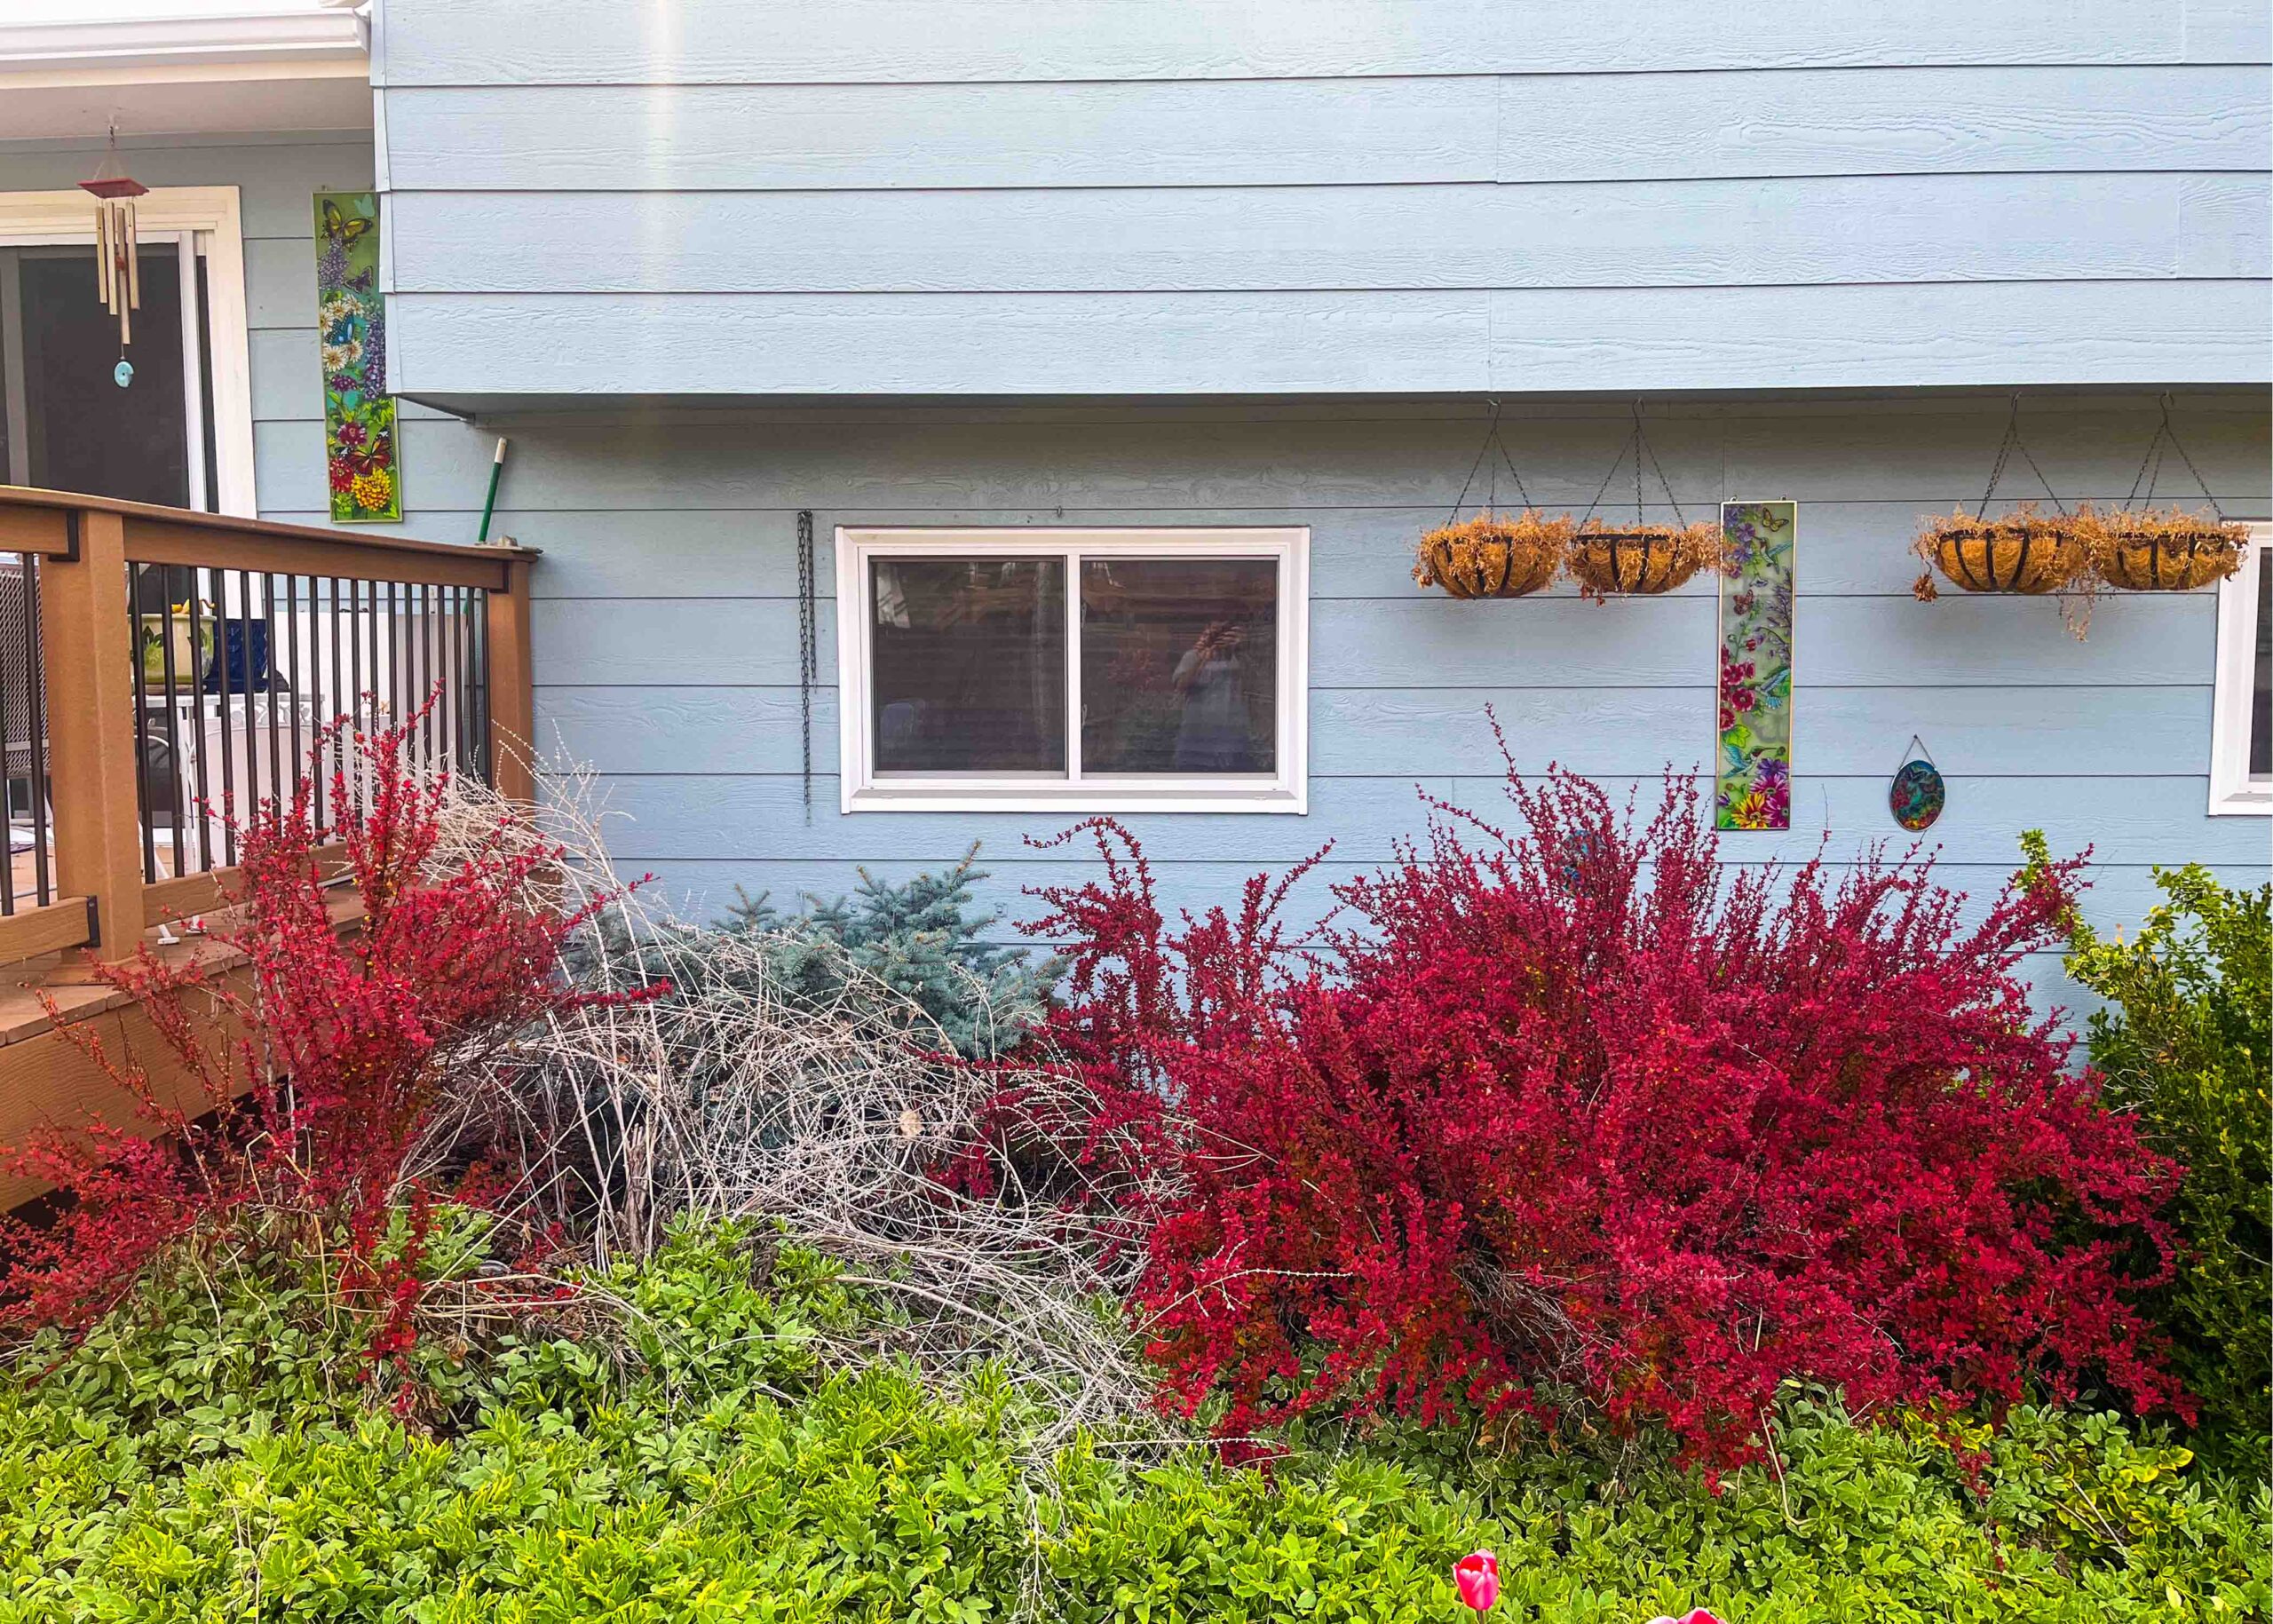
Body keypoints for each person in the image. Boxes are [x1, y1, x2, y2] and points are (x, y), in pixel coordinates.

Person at [1170, 619, 1254, 771]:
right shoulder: (1193, 655)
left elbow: (1256, 685)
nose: (1219, 637)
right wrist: (1202, 658)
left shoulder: (1240, 659)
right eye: (1215, 633)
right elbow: (1180, 686)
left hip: (1230, 734)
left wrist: (1240, 649)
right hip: (1196, 733)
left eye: (1224, 632)